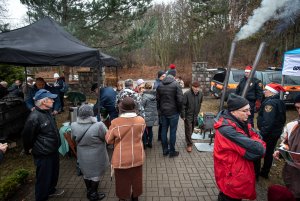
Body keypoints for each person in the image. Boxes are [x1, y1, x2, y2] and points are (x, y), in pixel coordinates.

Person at [214, 93, 266, 201]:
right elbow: (259, 149)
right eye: (245, 110)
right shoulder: (228, 130)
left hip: (236, 175)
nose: (249, 113)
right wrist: (256, 141)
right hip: (231, 178)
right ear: (233, 111)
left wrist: (255, 140)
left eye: (249, 109)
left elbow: (257, 137)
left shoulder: (241, 122)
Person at [22, 89, 64, 201]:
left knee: (53, 173)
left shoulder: (47, 112)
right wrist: (28, 149)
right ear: (43, 102)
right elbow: (27, 136)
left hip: (52, 150)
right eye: (50, 99)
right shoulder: (34, 117)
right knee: (43, 178)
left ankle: (50, 190)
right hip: (43, 153)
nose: (53, 101)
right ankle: (41, 197)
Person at [106, 97, 146, 201]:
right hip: (137, 155)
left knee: (122, 182)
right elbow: (141, 134)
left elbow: (108, 140)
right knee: (136, 179)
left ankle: (124, 198)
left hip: (121, 158)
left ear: (121, 108)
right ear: (134, 107)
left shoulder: (115, 122)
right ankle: (135, 197)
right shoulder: (141, 120)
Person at [71, 104, 109, 201]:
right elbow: (106, 137)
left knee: (86, 173)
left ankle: (89, 190)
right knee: (96, 175)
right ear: (91, 113)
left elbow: (73, 138)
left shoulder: (74, 125)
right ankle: (93, 194)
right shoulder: (99, 125)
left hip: (82, 155)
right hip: (97, 155)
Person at [273, 94, 300, 200]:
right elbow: (286, 143)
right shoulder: (291, 125)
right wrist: (281, 152)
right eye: (298, 108)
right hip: (292, 175)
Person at [257, 83, 286, 179]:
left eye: (266, 90)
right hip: (275, 132)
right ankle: (265, 172)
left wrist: (261, 134)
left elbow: (268, 121)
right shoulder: (279, 101)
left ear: (271, 92)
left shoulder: (270, 103)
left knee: (262, 152)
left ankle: (259, 172)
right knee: (269, 152)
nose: (264, 91)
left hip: (268, 133)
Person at [156, 65, 183, 157]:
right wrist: (179, 111)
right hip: (173, 112)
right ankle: (172, 151)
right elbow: (180, 100)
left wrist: (159, 111)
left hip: (164, 112)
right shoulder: (176, 85)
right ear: (174, 75)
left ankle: (165, 150)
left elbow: (158, 100)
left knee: (164, 130)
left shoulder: (160, 85)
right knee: (172, 132)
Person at [181, 81, 203, 152]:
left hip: (195, 115)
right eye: (195, 87)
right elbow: (183, 106)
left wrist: (198, 113)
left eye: (198, 88)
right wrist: (183, 116)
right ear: (192, 87)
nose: (196, 89)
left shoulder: (200, 94)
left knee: (192, 129)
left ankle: (188, 138)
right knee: (188, 129)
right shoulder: (187, 94)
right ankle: (189, 144)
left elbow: (200, 103)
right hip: (188, 115)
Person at [141, 82, 158, 149]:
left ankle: (145, 143)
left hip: (145, 115)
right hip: (152, 115)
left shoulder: (144, 96)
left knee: (144, 130)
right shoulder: (155, 95)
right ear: (151, 88)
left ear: (145, 88)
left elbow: (142, 106)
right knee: (150, 130)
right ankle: (150, 142)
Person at [153, 70, 166, 141]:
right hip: (159, 106)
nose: (164, 77)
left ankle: (160, 137)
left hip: (162, 105)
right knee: (161, 122)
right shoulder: (157, 84)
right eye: (163, 76)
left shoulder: (161, 82)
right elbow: (156, 96)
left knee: (162, 123)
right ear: (159, 76)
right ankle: (160, 137)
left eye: (165, 76)